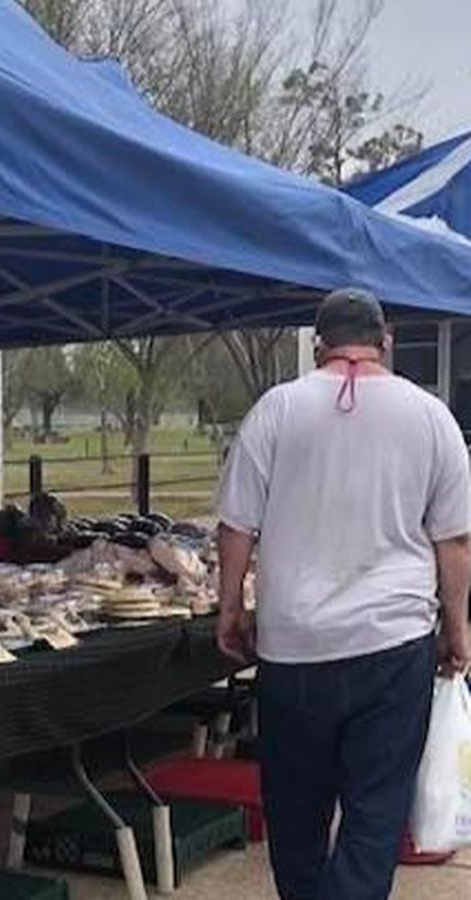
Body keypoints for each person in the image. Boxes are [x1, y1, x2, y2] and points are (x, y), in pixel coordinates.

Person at [215, 287, 471, 900]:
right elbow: (455, 541)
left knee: (296, 811)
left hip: (294, 646)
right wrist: (456, 627)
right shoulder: (431, 416)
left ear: (317, 345)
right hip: (394, 645)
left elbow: (236, 526)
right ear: (386, 342)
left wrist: (230, 608)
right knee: (375, 813)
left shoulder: (277, 409)